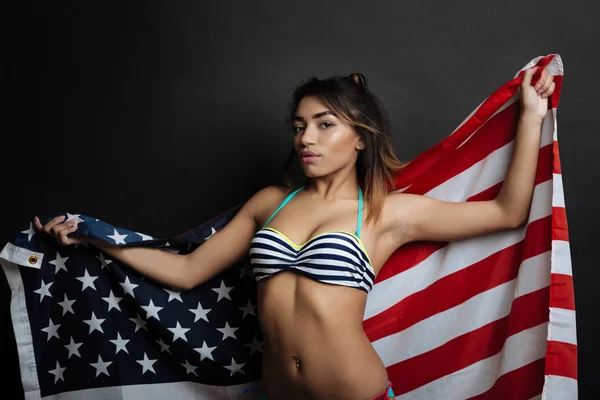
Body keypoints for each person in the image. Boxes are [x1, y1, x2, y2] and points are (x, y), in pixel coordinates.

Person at [33, 67, 555, 400]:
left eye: (325, 124)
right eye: (300, 125)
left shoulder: (386, 212)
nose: (307, 137)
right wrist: (96, 238)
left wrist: (531, 116)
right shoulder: (270, 202)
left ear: (359, 138)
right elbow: (188, 270)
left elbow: (508, 213)